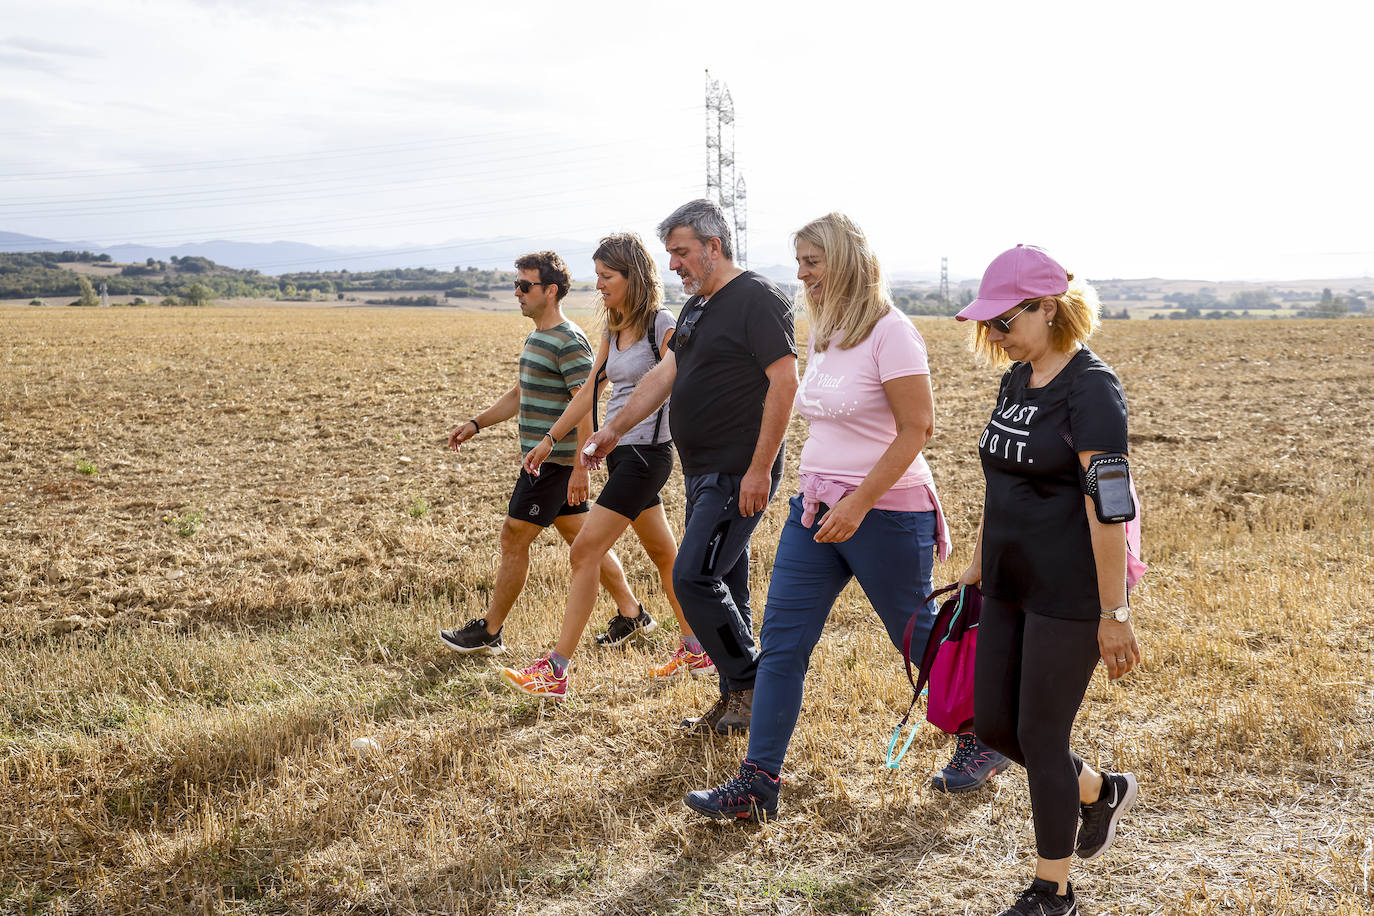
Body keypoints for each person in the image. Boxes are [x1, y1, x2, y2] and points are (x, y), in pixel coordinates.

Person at [682, 212, 953, 821]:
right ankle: (758, 783)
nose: (802, 275)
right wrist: (822, 497)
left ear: (848, 260)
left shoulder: (893, 331)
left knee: (920, 642)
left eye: (813, 261)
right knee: (781, 643)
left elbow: (919, 428)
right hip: (815, 509)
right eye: (799, 262)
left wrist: (858, 504)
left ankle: (981, 734)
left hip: (884, 511)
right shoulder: (824, 331)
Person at [955, 245, 1142, 916]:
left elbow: (1109, 505)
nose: (994, 337)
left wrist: (1114, 611)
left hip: (1069, 591)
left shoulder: (1092, 389)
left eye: (1002, 323)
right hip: (1007, 580)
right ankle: (1097, 789)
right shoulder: (1018, 379)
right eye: (988, 326)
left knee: (1039, 734)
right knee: (999, 728)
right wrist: (979, 558)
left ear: (1047, 307)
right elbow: (998, 478)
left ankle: (1051, 891)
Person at [584, 199, 797, 735]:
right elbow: (663, 376)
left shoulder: (758, 298)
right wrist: (611, 431)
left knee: (693, 577)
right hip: (701, 470)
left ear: (713, 246)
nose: (673, 264)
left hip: (737, 471)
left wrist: (759, 468)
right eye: (670, 254)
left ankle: (750, 683)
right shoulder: (698, 307)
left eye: (680, 252)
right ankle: (735, 702)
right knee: (728, 583)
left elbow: (785, 383)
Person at [499, 233, 714, 699]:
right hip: (618, 455)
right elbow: (590, 390)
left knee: (584, 552)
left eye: (606, 276)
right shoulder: (614, 327)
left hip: (646, 457)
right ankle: (697, 647)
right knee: (664, 555)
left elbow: (686, 378)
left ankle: (556, 670)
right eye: (596, 276)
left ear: (632, 276)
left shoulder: (663, 324)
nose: (598, 285)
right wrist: (551, 440)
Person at [438, 250, 645, 658]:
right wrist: (476, 423)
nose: (517, 292)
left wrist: (580, 467)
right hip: (549, 463)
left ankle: (490, 631)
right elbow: (520, 394)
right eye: (516, 284)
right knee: (584, 539)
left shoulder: (569, 340)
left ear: (550, 291)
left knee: (513, 536)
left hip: (555, 465)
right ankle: (633, 613)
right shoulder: (538, 336)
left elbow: (585, 400)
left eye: (524, 285)